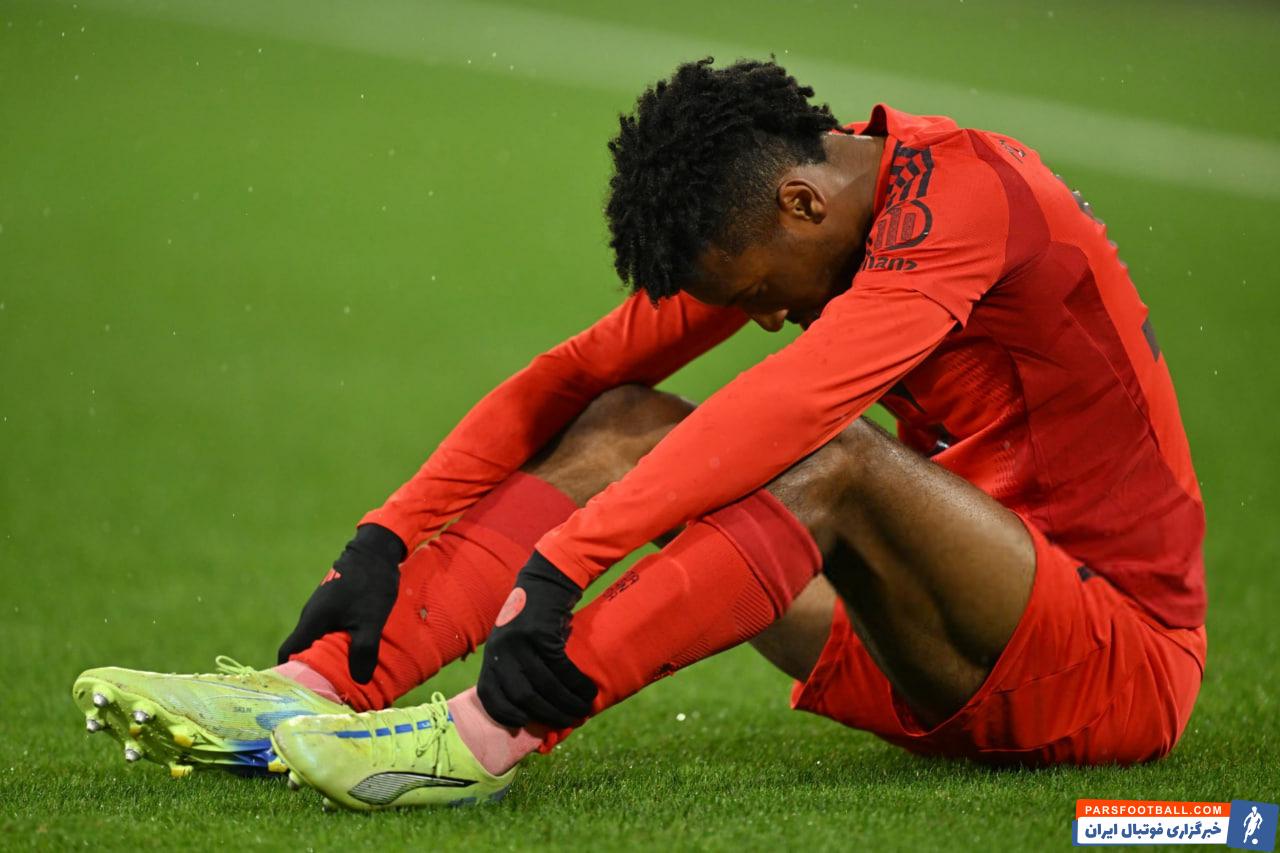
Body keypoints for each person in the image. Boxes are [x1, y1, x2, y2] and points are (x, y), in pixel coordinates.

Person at [73, 57, 1208, 809]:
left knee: (834, 457)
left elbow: (798, 403)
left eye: (759, 292)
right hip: (923, 634)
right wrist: (384, 536)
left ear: (801, 204)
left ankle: (481, 738)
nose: (767, 315)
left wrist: (564, 566)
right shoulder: (807, 214)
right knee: (619, 419)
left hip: (1111, 664)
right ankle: (319, 689)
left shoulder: (963, 198)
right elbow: (580, 372)